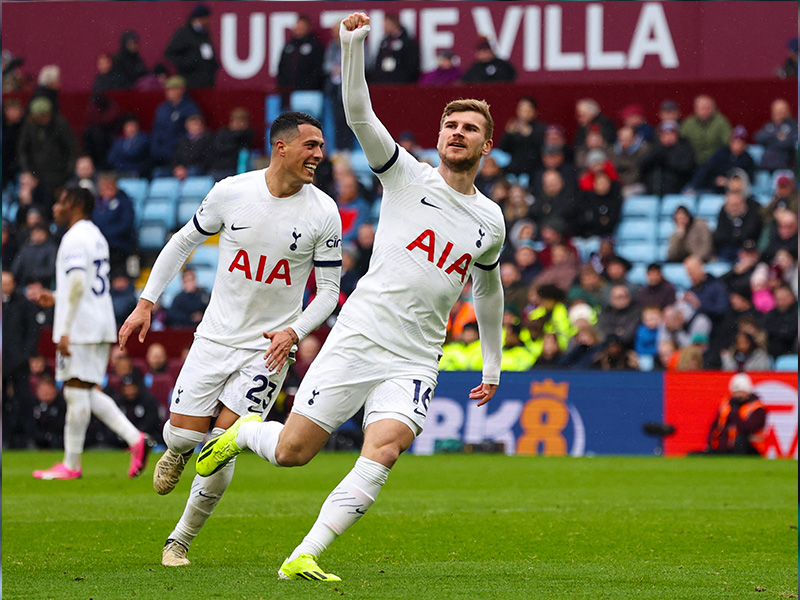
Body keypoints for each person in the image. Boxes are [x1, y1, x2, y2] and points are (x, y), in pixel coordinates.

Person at [196, 13, 505, 582]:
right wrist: (351, 45)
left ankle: (302, 555)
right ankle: (240, 432)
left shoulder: (491, 219)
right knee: (293, 451)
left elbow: (487, 286)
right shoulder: (406, 176)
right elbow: (359, 111)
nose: (457, 133)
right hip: (359, 335)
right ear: (439, 137)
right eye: (450, 125)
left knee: (384, 449)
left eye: (469, 128)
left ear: (489, 143)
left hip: (416, 356)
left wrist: (491, 362)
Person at [118, 111, 343, 566]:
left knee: (223, 447)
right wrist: (146, 302)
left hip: (269, 349)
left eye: (321, 147)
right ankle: (177, 450)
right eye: (311, 145)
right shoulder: (232, 192)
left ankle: (179, 540)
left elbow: (330, 294)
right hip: (215, 339)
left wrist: (294, 331)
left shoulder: (324, 212)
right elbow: (182, 242)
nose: (319, 155)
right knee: (183, 436)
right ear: (281, 147)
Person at [32, 186, 151, 480]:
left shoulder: (73, 238)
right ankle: (136, 439)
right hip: (100, 321)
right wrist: (57, 297)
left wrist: (64, 329)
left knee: (74, 391)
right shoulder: (96, 235)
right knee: (84, 388)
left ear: (74, 204)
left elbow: (76, 284)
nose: (56, 208)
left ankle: (71, 465)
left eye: (60, 202)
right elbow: (83, 285)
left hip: (81, 326)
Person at [2, 270, 42, 448]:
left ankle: (29, 438)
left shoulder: (23, 304)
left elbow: (33, 332)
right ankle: (5, 439)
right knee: (2, 403)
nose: (5, 287)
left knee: (24, 400)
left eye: (8, 283)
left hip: (19, 362)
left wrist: (25, 355)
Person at [16, 96, 79, 202]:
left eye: (45, 115)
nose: (42, 118)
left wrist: (69, 172)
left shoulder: (59, 124)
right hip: (36, 177)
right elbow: (22, 150)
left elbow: (72, 148)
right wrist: (26, 170)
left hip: (59, 175)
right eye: (39, 116)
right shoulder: (29, 126)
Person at [150, 76, 201, 174]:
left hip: (182, 158)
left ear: (181, 89)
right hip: (162, 156)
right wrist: (156, 150)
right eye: (168, 89)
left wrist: (177, 153)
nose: (169, 92)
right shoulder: (162, 109)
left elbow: (192, 134)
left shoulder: (190, 108)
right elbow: (156, 130)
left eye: (173, 89)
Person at [705, 373, 766, 455]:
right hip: (726, 447)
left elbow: (747, 429)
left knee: (740, 440)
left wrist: (734, 414)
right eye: (737, 392)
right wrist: (712, 443)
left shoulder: (757, 408)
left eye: (742, 392)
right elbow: (716, 426)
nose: (739, 396)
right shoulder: (726, 405)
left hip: (750, 449)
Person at [164, 3, 218, 88]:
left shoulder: (204, 33)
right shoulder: (183, 33)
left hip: (207, 82)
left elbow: (208, 53)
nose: (208, 21)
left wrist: (213, 65)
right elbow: (169, 53)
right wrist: (187, 64)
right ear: (199, 18)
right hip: (190, 83)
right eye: (206, 18)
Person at [688, 126, 756, 193]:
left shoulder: (747, 159)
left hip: (737, 192)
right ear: (730, 142)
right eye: (735, 142)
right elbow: (707, 168)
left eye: (741, 143)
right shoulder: (722, 153)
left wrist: (730, 182)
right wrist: (715, 180)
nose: (738, 145)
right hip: (716, 189)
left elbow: (749, 179)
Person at [93, 173, 137, 275]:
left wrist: (108, 234)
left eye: (110, 186)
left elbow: (126, 223)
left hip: (120, 246)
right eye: (104, 187)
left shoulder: (124, 202)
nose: (107, 189)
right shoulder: (96, 204)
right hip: (100, 246)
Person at [277, 15, 326, 102]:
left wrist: (310, 85)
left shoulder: (315, 46)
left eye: (302, 26)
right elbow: (281, 66)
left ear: (308, 27)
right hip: (289, 93)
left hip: (309, 93)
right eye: (297, 26)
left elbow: (319, 68)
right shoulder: (289, 46)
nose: (298, 29)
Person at [639, 120, 695, 196]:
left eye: (671, 134)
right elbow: (642, 165)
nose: (668, 137)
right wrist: (658, 152)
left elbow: (686, 167)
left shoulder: (684, 147)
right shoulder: (654, 148)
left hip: (678, 189)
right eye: (665, 134)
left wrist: (667, 160)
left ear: (677, 135)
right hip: (654, 189)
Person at [499, 96, 547, 177]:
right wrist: (508, 134)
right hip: (513, 171)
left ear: (534, 112)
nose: (524, 113)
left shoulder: (540, 129)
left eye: (527, 110)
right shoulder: (514, 127)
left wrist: (529, 134)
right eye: (521, 110)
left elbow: (542, 148)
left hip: (533, 171)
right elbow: (503, 149)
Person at [712, 188, 763, 263]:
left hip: (749, 251)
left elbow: (751, 233)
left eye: (737, 204)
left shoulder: (754, 212)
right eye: (731, 205)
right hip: (729, 251)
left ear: (743, 203)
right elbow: (720, 236)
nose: (735, 208)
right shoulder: (723, 213)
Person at [680, 95, 732, 167]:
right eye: (702, 108)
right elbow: (681, 143)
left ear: (713, 108)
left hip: (716, 164)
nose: (705, 111)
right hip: (694, 165)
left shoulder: (721, 122)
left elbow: (729, 142)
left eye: (707, 108)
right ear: (696, 109)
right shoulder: (688, 124)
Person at [208, 107, 254, 181]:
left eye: (241, 121)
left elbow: (246, 138)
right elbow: (218, 148)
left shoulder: (246, 134)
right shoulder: (223, 132)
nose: (237, 124)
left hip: (232, 169)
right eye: (236, 121)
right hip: (217, 168)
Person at [754, 98, 797, 171]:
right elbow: (758, 137)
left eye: (782, 110)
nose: (779, 113)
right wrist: (776, 135)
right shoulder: (770, 125)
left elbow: (789, 142)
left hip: (783, 165)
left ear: (788, 110)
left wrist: (770, 140)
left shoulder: (793, 125)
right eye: (777, 110)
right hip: (766, 166)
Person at [172, 113, 213, 180]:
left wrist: (186, 170)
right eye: (194, 124)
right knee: (159, 173)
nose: (197, 127)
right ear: (187, 126)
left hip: (198, 170)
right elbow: (176, 158)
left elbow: (206, 161)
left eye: (199, 124)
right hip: (182, 170)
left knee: (193, 171)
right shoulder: (182, 141)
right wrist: (177, 167)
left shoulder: (208, 140)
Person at [763, 283, 798, 358]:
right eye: (778, 299)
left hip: (791, 354)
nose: (781, 302)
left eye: (784, 299)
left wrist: (776, 331)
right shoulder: (772, 313)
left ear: (792, 297)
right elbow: (765, 329)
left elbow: (789, 333)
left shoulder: (796, 313)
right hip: (772, 354)